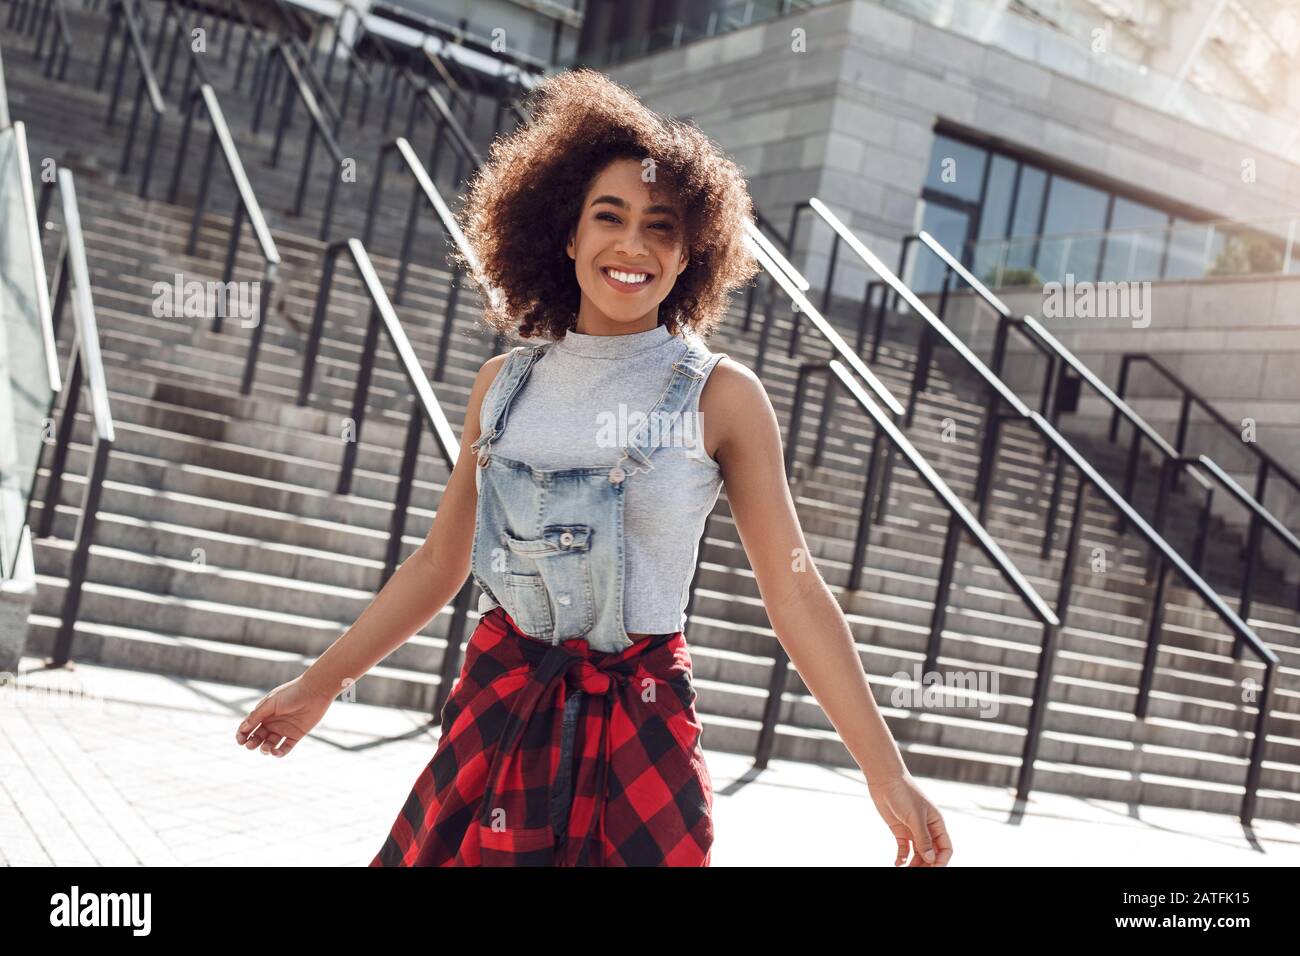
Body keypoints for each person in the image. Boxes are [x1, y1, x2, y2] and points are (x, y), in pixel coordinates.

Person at [234, 68, 953, 867]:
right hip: (500, 711)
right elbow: (441, 564)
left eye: (663, 228)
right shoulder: (501, 387)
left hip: (641, 733)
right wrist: (322, 682)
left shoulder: (721, 396)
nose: (633, 246)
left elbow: (793, 588)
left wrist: (885, 772)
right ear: (567, 234)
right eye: (609, 217)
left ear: (692, 255)